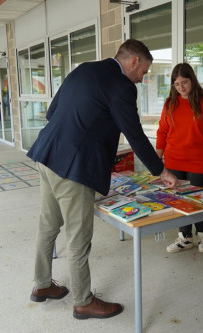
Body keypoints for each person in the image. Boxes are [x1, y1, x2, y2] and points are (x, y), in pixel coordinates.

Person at [26, 39, 177, 320]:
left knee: (48, 225)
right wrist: (161, 170)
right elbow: (134, 133)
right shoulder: (121, 85)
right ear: (133, 61)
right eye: (143, 72)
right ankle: (83, 302)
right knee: (78, 237)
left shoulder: (85, 69)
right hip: (74, 168)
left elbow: (52, 111)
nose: (142, 79)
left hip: (47, 154)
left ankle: (42, 285)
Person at [156, 63, 203, 253]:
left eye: (184, 82)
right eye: (176, 84)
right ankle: (184, 238)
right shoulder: (170, 103)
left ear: (192, 80)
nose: (181, 88)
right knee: (179, 201)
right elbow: (162, 132)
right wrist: (156, 161)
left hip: (198, 163)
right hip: (174, 160)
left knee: (197, 202)